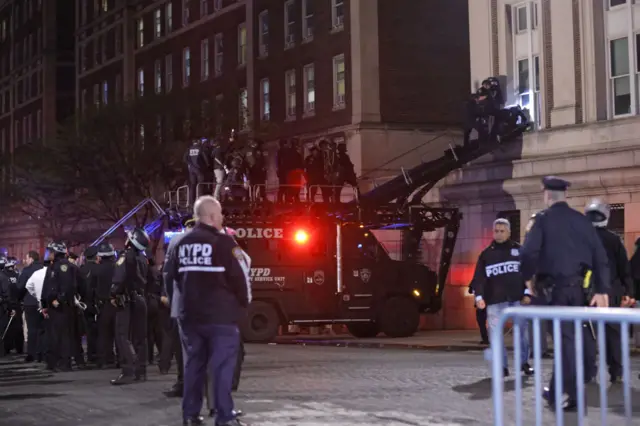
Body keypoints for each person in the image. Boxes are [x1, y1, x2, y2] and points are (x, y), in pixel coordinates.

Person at [520, 176, 610, 412]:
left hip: (552, 292)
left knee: (565, 344)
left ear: (546, 195)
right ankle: (558, 391)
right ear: (565, 195)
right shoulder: (581, 221)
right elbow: (600, 256)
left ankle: (571, 394)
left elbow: (529, 253)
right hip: (577, 292)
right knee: (566, 343)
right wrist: (602, 289)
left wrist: (527, 279)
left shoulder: (542, 220)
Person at [164, 195, 250, 426]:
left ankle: (190, 415)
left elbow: (170, 277)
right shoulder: (224, 244)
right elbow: (240, 280)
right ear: (212, 216)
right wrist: (242, 306)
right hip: (220, 317)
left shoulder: (180, 243)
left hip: (189, 316)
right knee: (221, 367)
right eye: (220, 214)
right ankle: (224, 416)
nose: (222, 218)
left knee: (194, 365)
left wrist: (180, 304)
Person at [471, 218, 533, 377]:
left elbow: (529, 275)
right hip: (495, 301)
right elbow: (479, 278)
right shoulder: (486, 254)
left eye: (502, 231)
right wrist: (479, 297)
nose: (498, 234)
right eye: (496, 231)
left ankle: (523, 363)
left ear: (509, 232)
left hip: (517, 298)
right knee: (495, 335)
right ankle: (502, 366)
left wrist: (527, 294)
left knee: (522, 334)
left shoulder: (519, 251)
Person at [584, 199, 635, 384]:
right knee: (612, 334)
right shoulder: (613, 239)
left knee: (588, 334)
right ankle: (616, 370)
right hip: (609, 292)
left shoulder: (582, 239)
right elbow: (625, 269)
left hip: (588, 293)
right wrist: (628, 292)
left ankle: (589, 370)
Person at [110, 228, 149, 385]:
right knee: (140, 337)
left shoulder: (125, 257)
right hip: (141, 299)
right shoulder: (143, 258)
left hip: (126, 299)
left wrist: (113, 294)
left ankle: (128, 370)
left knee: (123, 335)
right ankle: (141, 370)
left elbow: (119, 279)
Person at [40, 241, 85, 371]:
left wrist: (58, 300)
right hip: (54, 307)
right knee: (55, 336)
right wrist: (44, 303)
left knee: (64, 336)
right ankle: (56, 362)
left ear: (57, 253)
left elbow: (69, 287)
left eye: (51, 252)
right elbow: (46, 287)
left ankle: (65, 363)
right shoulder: (52, 267)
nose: (49, 254)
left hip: (63, 307)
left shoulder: (65, 267)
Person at [17, 251, 44, 363]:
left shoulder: (27, 271)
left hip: (30, 302)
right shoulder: (45, 268)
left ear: (32, 259)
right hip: (43, 302)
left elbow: (20, 287)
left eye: (27, 258)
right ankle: (42, 353)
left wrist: (20, 299)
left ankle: (32, 354)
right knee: (42, 329)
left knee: (32, 329)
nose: (25, 260)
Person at [96, 242, 118, 368]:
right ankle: (120, 359)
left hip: (102, 304)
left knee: (104, 333)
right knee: (118, 334)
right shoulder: (117, 267)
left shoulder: (97, 269)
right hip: (116, 303)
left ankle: (104, 359)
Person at [79, 246, 100, 364]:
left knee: (88, 331)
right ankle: (97, 354)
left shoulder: (81, 269)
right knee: (98, 331)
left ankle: (90, 354)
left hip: (84, 303)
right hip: (96, 302)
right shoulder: (98, 268)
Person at [184, 139, 210, 205]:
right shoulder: (200, 148)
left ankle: (191, 203)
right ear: (197, 142)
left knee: (192, 186)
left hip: (191, 170)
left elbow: (184, 158)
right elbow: (205, 158)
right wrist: (207, 165)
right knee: (200, 185)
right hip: (199, 169)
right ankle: (200, 201)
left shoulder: (189, 149)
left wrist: (190, 164)